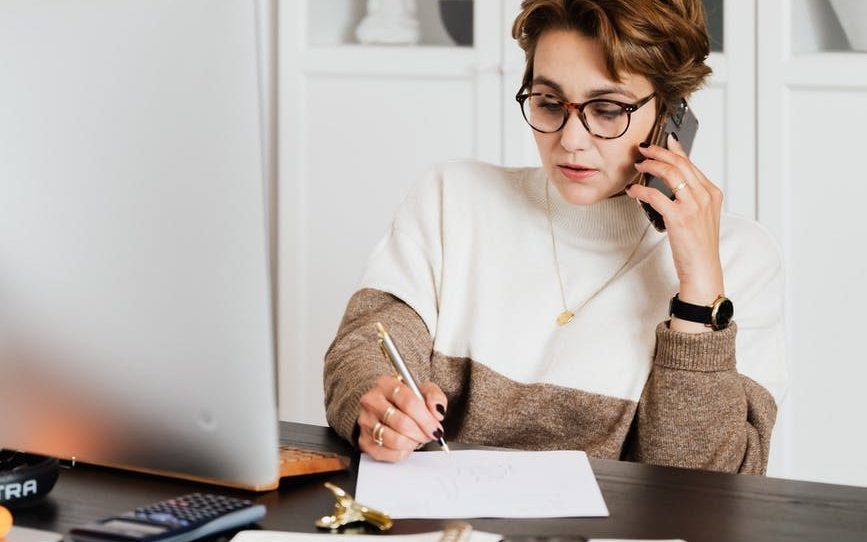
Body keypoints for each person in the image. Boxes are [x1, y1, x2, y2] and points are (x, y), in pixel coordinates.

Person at [323, 0, 785, 474]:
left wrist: (699, 296)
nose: (571, 140)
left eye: (607, 110)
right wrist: (378, 400)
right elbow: (364, 349)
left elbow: (703, 485)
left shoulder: (739, 258)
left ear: (671, 111)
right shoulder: (452, 199)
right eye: (548, 103)